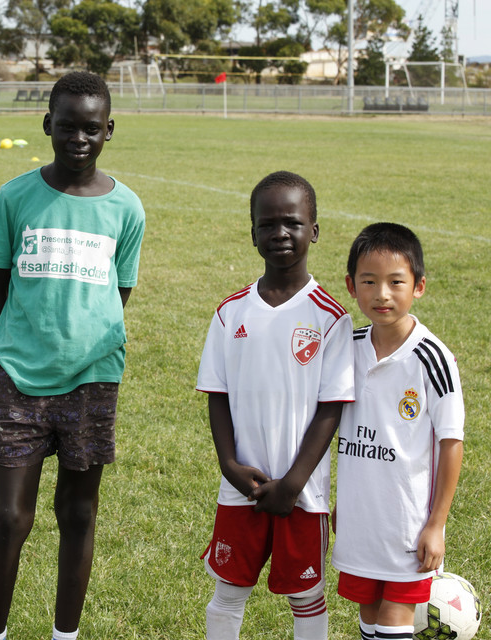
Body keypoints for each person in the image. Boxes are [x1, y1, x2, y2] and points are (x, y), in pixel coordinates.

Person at [0, 71, 146, 640]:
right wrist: (26, 346)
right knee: (10, 516)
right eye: (67, 126)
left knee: (78, 512)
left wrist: (81, 340)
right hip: (22, 379)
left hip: (93, 379)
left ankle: (64, 635)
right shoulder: (15, 196)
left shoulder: (127, 209)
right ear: (47, 125)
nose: (79, 138)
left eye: (91, 128)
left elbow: (117, 294)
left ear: (109, 131)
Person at [196, 170, 354, 640]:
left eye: (293, 223)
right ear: (253, 234)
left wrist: (295, 482)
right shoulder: (231, 312)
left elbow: (332, 408)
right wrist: (228, 463)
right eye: (268, 224)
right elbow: (217, 393)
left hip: (301, 492)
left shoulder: (331, 318)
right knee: (228, 588)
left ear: (315, 231)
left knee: (306, 596)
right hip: (241, 484)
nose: (280, 233)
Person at [332, 222, 464, 640]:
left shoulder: (432, 358)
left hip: (407, 526)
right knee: (369, 618)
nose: (382, 294)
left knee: (394, 621)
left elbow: (451, 441)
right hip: (358, 521)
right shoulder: (346, 347)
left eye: (395, 282)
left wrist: (436, 523)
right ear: (351, 286)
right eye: (369, 282)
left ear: (419, 287)